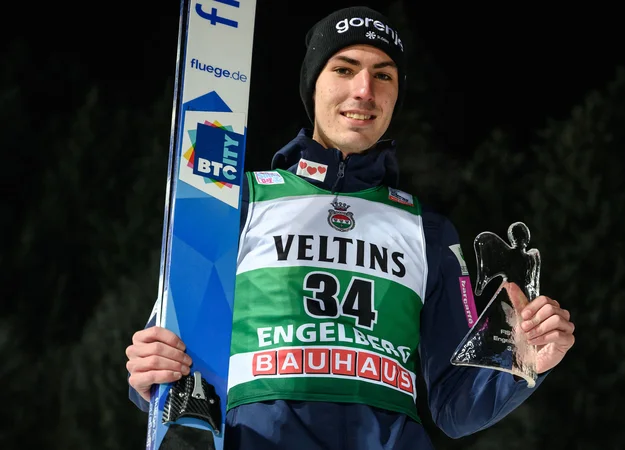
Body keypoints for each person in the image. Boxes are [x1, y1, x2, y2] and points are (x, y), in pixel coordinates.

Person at [126, 5, 576, 449]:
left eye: (383, 75)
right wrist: (150, 371)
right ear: (313, 86)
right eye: (344, 69)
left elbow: (455, 408)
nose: (364, 90)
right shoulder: (238, 203)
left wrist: (525, 360)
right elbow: (170, 356)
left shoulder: (428, 231)